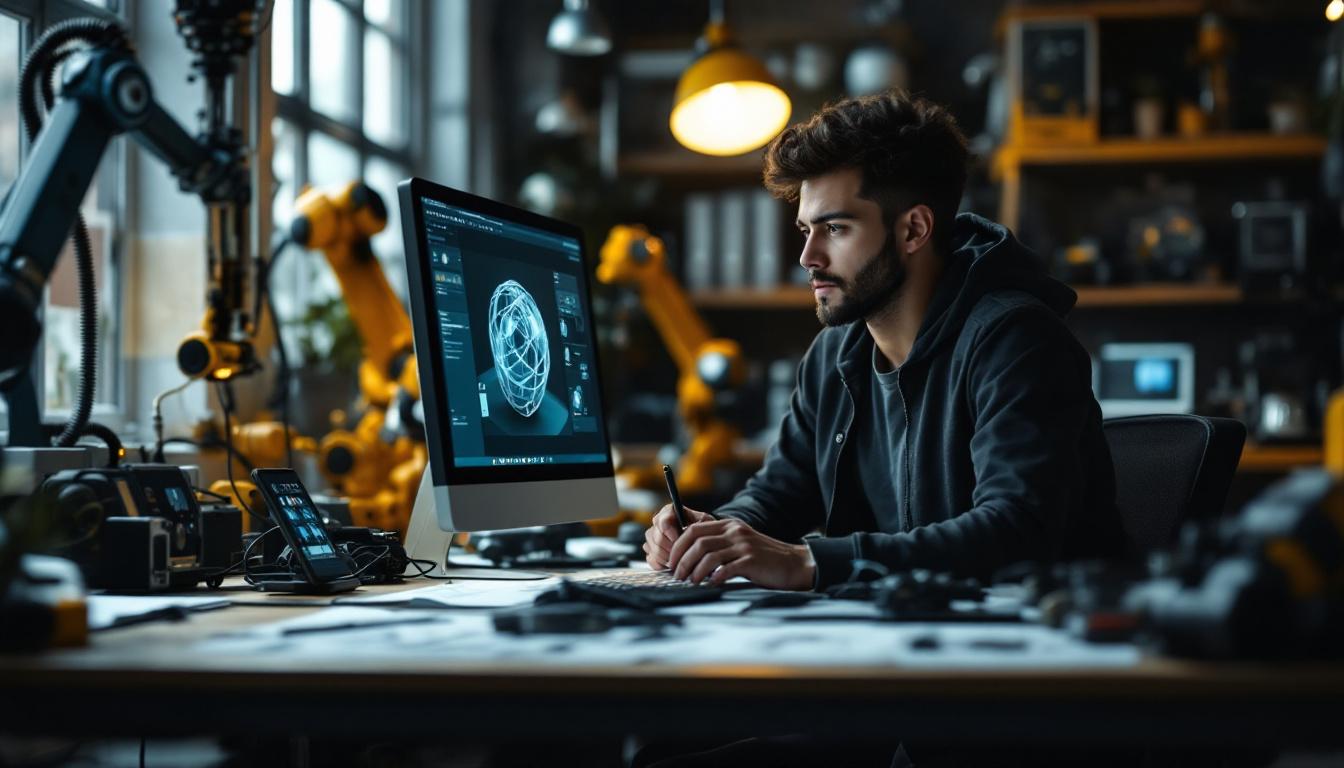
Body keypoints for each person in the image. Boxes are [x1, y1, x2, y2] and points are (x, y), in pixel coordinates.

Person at [643, 89, 1124, 591]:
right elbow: (778, 496)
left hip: (1041, 644)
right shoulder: (834, 353)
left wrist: (810, 563)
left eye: (835, 228)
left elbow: (1016, 529)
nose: (808, 256)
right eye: (806, 229)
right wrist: (711, 533)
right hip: (903, 633)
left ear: (913, 229)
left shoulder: (1017, 341)